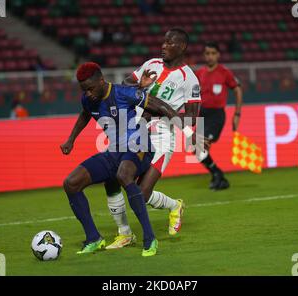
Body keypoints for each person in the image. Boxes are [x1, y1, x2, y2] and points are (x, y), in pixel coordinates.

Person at [60, 62, 196, 256]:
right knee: (71, 183)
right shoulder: (88, 99)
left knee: (123, 175)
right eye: (84, 90)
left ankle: (149, 239)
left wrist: (190, 132)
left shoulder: (124, 93)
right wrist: (71, 139)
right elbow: (85, 115)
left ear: (101, 80)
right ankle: (94, 238)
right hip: (115, 151)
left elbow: (162, 106)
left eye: (90, 89)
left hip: (140, 144)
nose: (88, 94)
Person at [96, 28, 202, 249]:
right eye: (163, 42)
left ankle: (174, 206)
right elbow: (125, 86)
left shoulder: (189, 79)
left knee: (141, 195)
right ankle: (125, 233)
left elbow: (192, 118)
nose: (163, 46)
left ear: (181, 47)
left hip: (162, 138)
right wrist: (139, 86)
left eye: (169, 42)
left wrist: (161, 110)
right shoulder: (151, 64)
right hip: (135, 132)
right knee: (119, 178)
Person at [195, 42, 243, 190]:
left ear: (218, 55)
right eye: (207, 53)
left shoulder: (224, 72)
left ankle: (218, 175)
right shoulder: (199, 73)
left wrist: (237, 114)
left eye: (213, 53)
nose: (210, 56)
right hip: (202, 114)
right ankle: (218, 175)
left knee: (201, 146)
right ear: (204, 55)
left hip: (216, 116)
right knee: (195, 149)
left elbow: (237, 90)